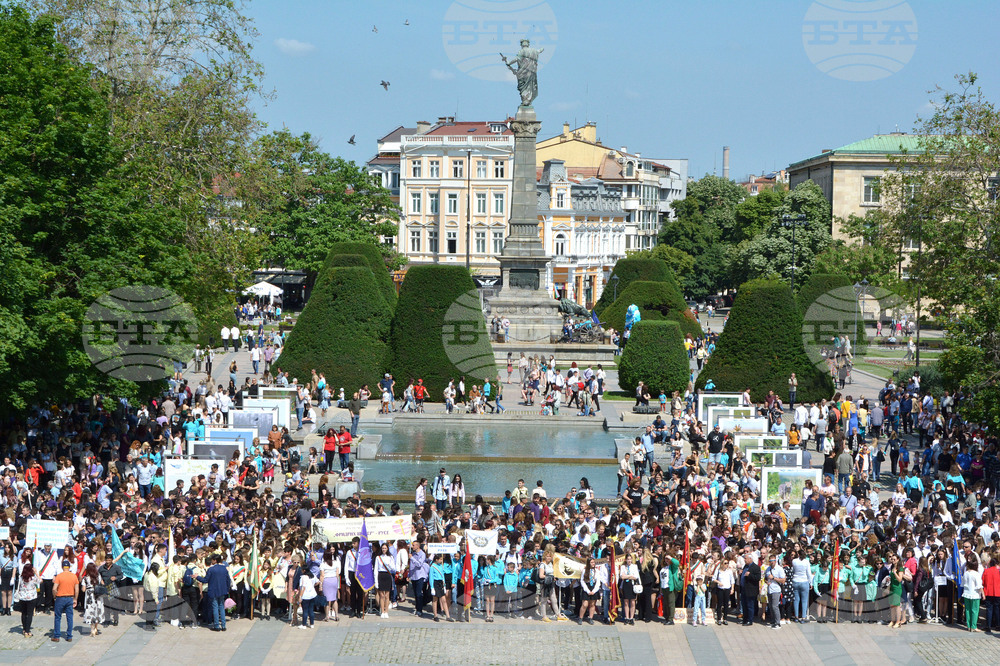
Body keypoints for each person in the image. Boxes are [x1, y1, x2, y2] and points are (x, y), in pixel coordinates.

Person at [196, 554, 232, 631]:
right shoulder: (224, 569)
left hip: (213, 591)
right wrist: (227, 589)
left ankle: (216, 625)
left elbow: (205, 580)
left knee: (215, 607)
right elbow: (228, 580)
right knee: (221, 607)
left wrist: (197, 577)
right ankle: (223, 625)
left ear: (215, 560)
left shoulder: (211, 570)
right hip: (222, 590)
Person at [52, 560, 79, 643]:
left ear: (62, 567)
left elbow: (54, 589)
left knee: (58, 617)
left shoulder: (59, 576)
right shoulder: (74, 576)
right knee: (70, 617)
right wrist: (75, 599)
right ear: (69, 567)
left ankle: (57, 636)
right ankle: (69, 636)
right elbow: (77, 590)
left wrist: (54, 597)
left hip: (60, 598)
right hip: (70, 597)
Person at [14, 563, 40, 637]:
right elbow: (40, 581)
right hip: (31, 598)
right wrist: (36, 573)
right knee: (29, 614)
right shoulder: (33, 578)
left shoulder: (21, 577)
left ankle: (24, 629)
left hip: (22, 597)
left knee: (24, 613)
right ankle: (27, 631)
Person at [81, 563, 105, 636]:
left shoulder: (85, 578)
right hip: (98, 596)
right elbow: (103, 583)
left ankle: (92, 630)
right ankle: (96, 628)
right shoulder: (98, 576)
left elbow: (83, 589)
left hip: (90, 596)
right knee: (98, 611)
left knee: (90, 612)